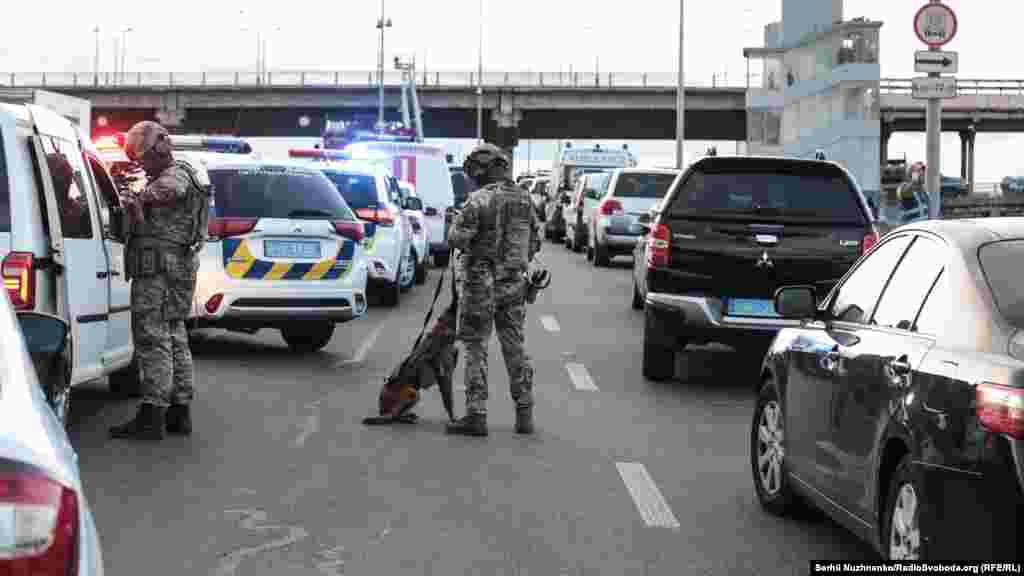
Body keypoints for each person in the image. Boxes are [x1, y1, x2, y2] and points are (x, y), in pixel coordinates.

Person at [109, 121, 212, 441]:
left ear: (159, 148)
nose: (143, 164)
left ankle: (152, 412)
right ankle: (178, 410)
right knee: (174, 334)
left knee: (153, 336)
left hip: (159, 269)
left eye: (144, 157)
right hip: (176, 268)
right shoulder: (185, 170)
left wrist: (139, 197)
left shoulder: (175, 175)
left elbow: (172, 189)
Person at [446, 143, 542, 437]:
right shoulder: (525, 199)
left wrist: (454, 222)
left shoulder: (478, 200)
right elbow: (535, 242)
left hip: (480, 286)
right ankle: (524, 414)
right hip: (514, 285)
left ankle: (476, 414)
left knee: (476, 347)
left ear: (480, 170)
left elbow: (457, 239)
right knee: (515, 347)